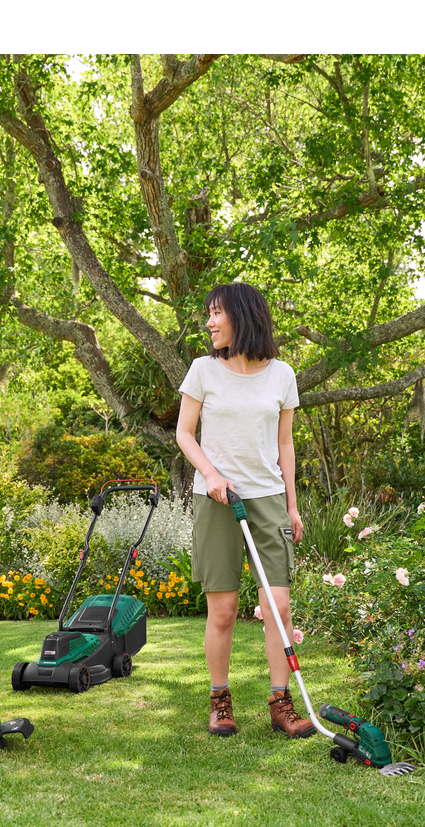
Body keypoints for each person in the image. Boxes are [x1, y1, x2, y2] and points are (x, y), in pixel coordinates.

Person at [175, 282, 313, 738]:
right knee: (224, 610)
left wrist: (292, 505)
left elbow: (285, 444)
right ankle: (220, 700)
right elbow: (184, 433)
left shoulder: (282, 375)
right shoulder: (203, 371)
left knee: (278, 606)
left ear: (242, 315)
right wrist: (211, 475)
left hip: (267, 497)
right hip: (216, 500)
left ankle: (281, 702)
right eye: (209, 314)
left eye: (217, 313)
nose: (209, 322)